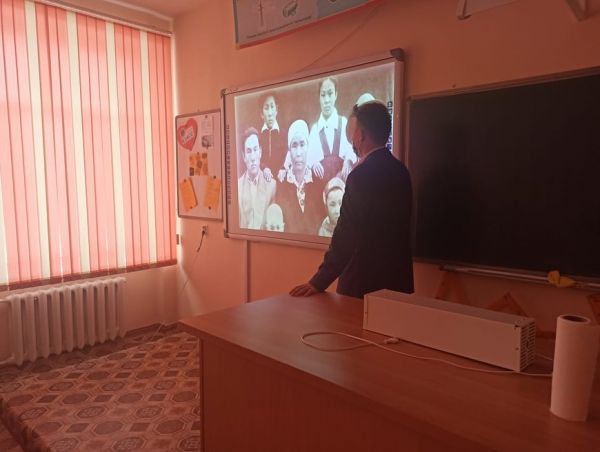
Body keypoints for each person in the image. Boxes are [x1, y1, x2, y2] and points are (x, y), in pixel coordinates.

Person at [290, 101, 414, 298]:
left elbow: (347, 234)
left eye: (353, 132)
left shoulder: (360, 176)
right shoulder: (402, 172)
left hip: (363, 288)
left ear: (361, 135)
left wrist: (318, 281)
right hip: (398, 285)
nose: (351, 139)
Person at [276, 119, 325, 235]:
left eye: (302, 145)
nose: (298, 153)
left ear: (308, 147)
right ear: (289, 150)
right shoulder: (282, 185)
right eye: (294, 146)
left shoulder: (318, 182)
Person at [307, 78, 357, 181]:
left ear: (336, 95)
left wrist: (348, 160)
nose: (326, 100)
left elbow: (352, 150)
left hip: (342, 183)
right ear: (319, 97)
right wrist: (314, 163)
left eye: (330, 94)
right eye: (323, 95)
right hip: (320, 184)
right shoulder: (315, 130)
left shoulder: (344, 123)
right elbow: (308, 157)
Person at [238, 127, 276, 229]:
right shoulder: (238, 187)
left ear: (260, 152)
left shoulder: (272, 186)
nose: (253, 157)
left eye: (255, 150)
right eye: (249, 151)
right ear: (244, 156)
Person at [257, 93, 288, 182]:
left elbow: (288, 156)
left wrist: (283, 168)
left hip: (282, 180)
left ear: (276, 110)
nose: (270, 113)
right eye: (266, 108)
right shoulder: (258, 136)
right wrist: (264, 168)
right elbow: (256, 158)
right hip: (264, 180)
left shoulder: (284, 134)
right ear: (261, 114)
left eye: (272, 107)